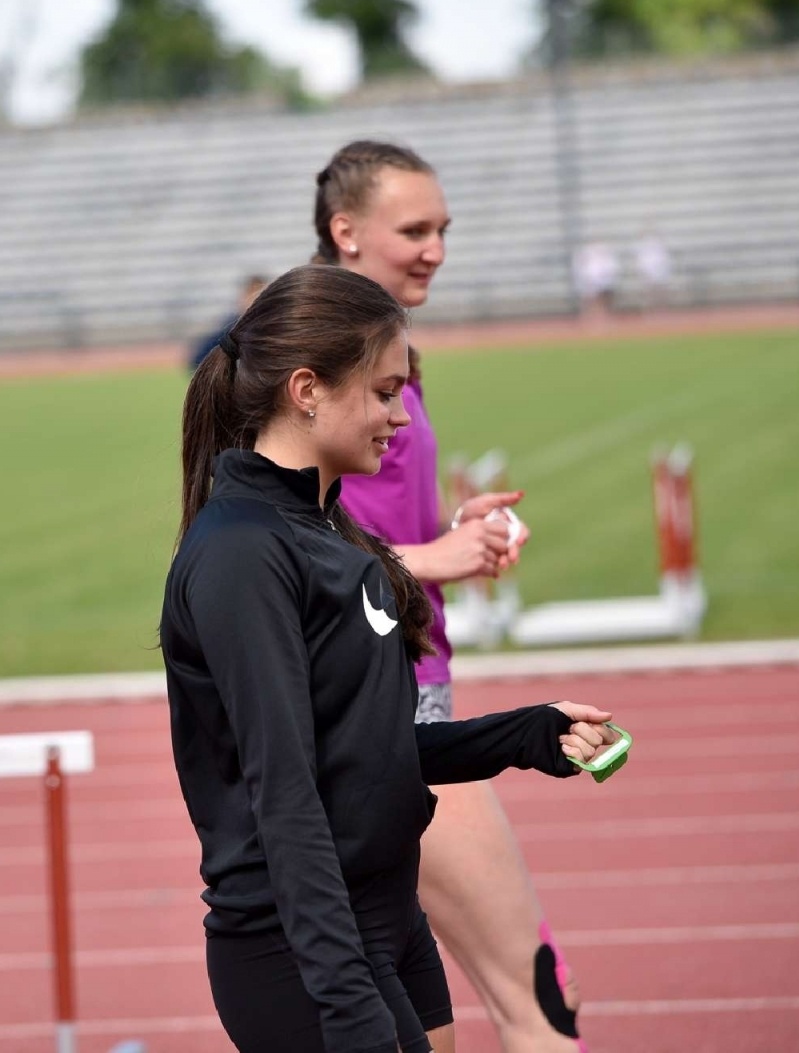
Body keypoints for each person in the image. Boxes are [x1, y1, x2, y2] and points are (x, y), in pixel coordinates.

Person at [162, 263, 622, 1053]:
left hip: (388, 919)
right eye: (383, 393)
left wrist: (526, 735)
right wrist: (345, 1000)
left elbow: (366, 751)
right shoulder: (243, 553)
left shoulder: (332, 532)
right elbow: (286, 789)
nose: (401, 418)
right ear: (307, 390)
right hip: (304, 951)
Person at [314, 139, 590, 1051]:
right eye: (414, 229)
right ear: (344, 231)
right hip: (383, 713)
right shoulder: (314, 357)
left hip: (413, 687)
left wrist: (457, 528)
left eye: (444, 229)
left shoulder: (391, 345)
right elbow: (281, 539)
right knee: (533, 992)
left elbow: (383, 509)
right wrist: (432, 557)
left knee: (414, 1016)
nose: (435, 248)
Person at [189, 273, 269, 370]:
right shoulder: (228, 329)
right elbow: (198, 360)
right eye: (251, 295)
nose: (253, 301)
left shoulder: (273, 329)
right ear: (243, 297)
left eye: (259, 296)